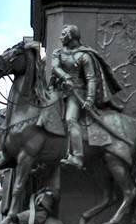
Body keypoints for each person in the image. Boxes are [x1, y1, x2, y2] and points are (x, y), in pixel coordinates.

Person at [48, 24, 123, 170]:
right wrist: (65, 77)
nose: (60, 37)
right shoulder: (58, 53)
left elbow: (91, 79)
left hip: (76, 93)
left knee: (70, 119)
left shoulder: (84, 55)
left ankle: (77, 156)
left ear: (71, 37)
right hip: (59, 91)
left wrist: (89, 98)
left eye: (64, 34)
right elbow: (55, 67)